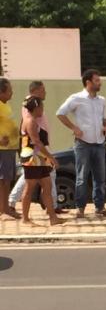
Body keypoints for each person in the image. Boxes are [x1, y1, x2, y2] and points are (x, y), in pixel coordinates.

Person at [56, 69, 106, 219]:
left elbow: (105, 119)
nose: (100, 82)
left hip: (99, 143)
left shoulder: (102, 100)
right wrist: (74, 128)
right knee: (81, 177)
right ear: (88, 82)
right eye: (96, 80)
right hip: (83, 144)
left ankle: (99, 208)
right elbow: (60, 113)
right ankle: (80, 209)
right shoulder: (76, 98)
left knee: (100, 178)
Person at [9, 81, 63, 215]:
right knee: (30, 183)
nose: (45, 92)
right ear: (36, 90)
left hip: (39, 150)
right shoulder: (30, 107)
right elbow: (34, 137)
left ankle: (52, 210)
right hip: (35, 151)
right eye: (43, 90)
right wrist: (49, 156)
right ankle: (17, 207)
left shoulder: (33, 105)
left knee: (45, 181)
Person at [19, 97, 66, 227]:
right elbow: (37, 143)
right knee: (29, 188)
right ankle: (25, 219)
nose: (43, 109)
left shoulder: (34, 121)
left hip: (40, 159)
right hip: (32, 160)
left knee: (47, 186)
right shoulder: (30, 122)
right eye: (42, 107)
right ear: (37, 108)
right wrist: (51, 157)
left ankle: (53, 217)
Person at [0, 78, 18, 219]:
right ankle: (4, 209)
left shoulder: (6, 105)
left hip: (10, 149)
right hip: (2, 149)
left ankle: (5, 208)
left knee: (7, 180)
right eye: (10, 90)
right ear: (2, 92)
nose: (12, 92)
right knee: (3, 180)